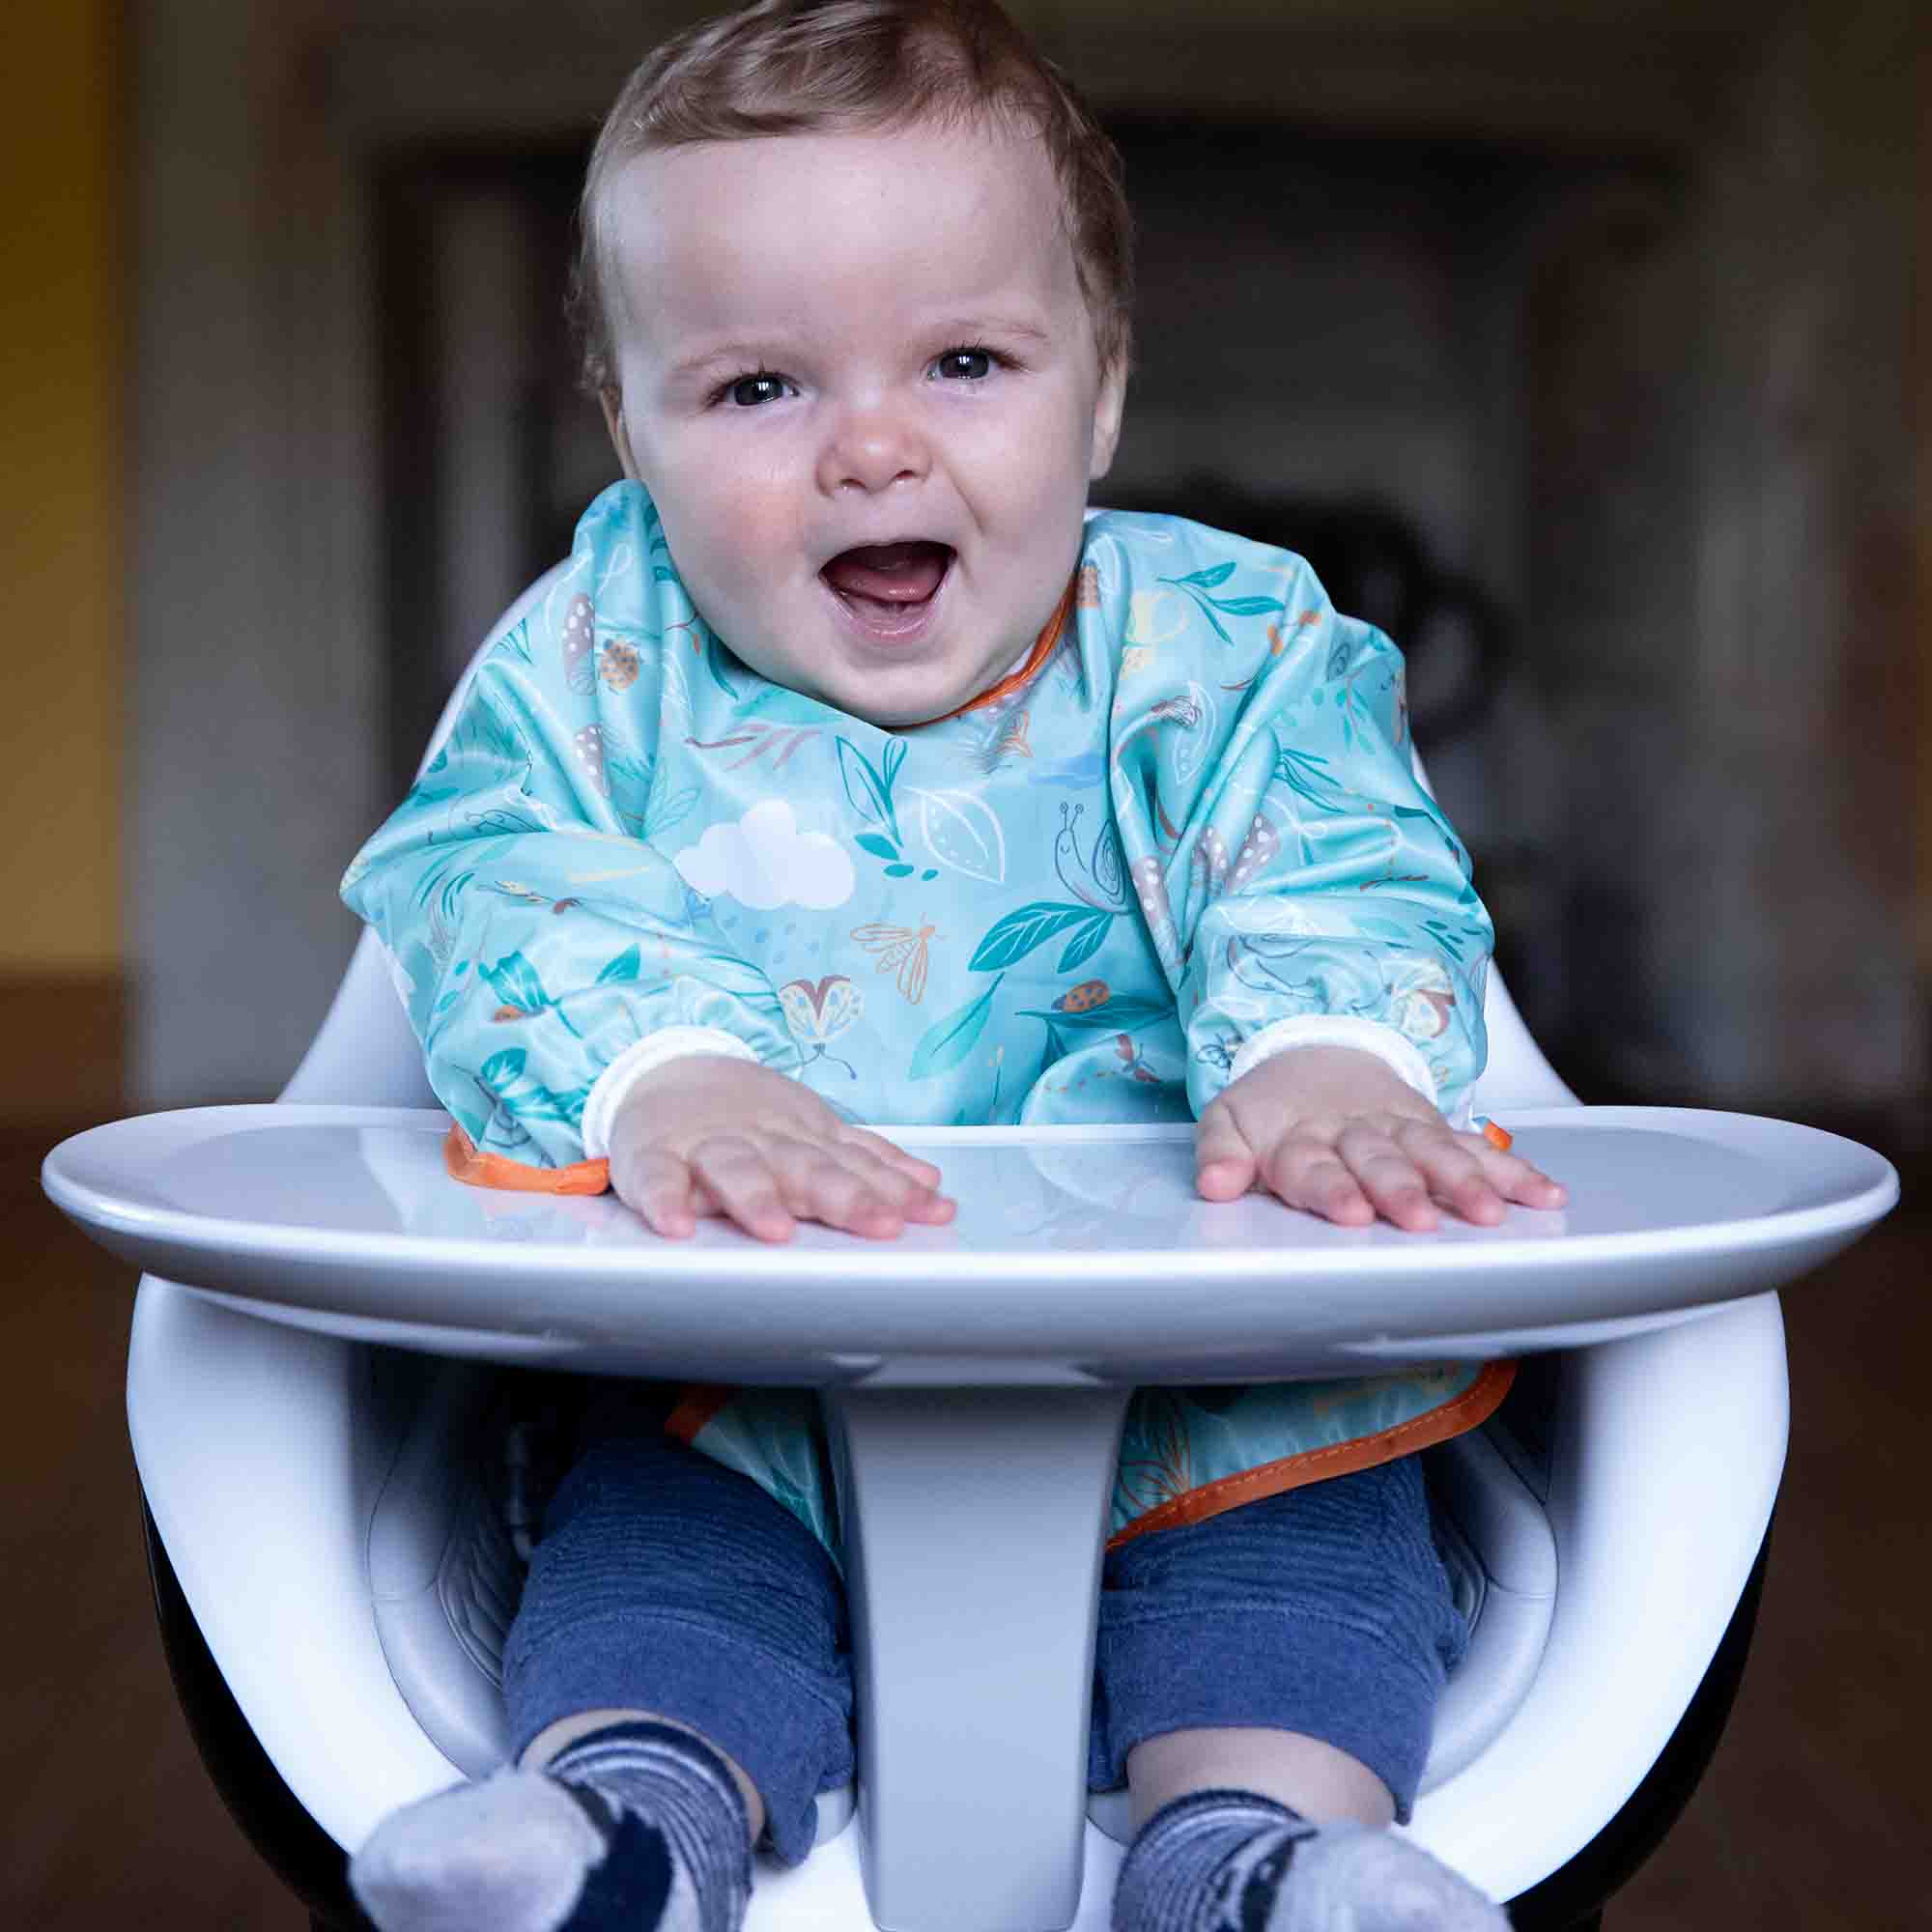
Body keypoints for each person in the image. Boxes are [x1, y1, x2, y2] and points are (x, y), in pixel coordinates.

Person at [342, 4, 1566, 1927]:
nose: (871, 446)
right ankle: (625, 1835)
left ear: (1095, 392)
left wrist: (1325, 1050)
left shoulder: (1222, 644)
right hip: (747, 1369)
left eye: (966, 360)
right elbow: (482, 866)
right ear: (628, 423)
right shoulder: (604, 661)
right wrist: (665, 1070)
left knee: (1307, 1563)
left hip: (1208, 1377)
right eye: (756, 389)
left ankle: (1250, 1861)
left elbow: (1331, 839)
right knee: (655, 1559)